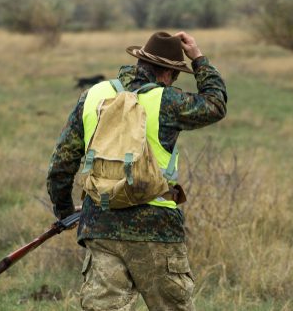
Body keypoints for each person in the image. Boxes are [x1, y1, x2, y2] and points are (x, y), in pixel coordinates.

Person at [47, 31, 227, 310]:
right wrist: (199, 59)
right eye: (175, 75)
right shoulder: (167, 100)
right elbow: (216, 104)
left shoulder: (93, 95)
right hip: (156, 230)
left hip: (100, 226)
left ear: (139, 62)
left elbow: (61, 164)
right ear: (167, 73)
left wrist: (66, 213)